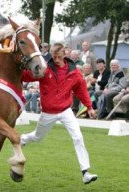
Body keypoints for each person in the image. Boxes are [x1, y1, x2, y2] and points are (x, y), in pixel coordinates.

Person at [21, 42, 98, 184]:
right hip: (48, 112)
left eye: (58, 57)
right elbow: (26, 76)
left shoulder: (74, 73)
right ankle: (23, 139)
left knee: (78, 137)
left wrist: (89, 107)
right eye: (53, 56)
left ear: (65, 55)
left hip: (66, 111)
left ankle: (85, 172)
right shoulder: (44, 69)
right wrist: (19, 68)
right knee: (38, 138)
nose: (55, 60)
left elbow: (81, 91)